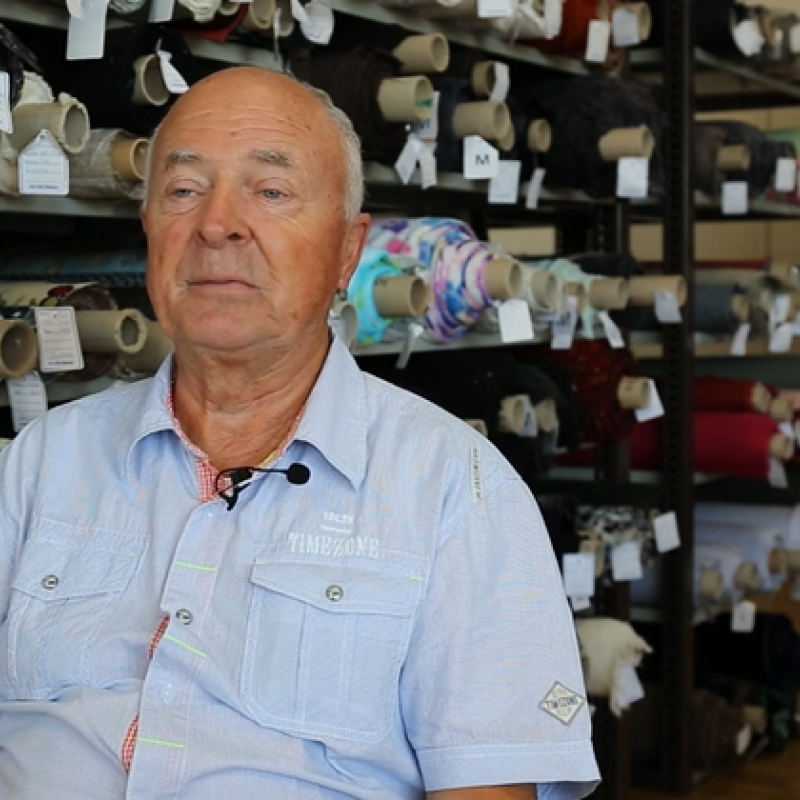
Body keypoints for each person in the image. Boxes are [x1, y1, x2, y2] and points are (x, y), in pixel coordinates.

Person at [0, 67, 599, 799]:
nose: (217, 224)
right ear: (149, 227)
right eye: (184, 190)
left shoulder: (456, 488)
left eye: (272, 191)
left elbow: (488, 788)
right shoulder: (44, 458)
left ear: (348, 251)